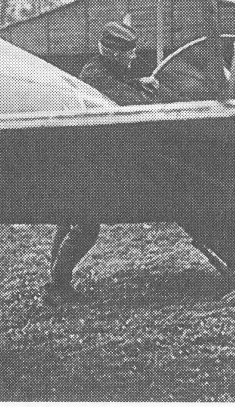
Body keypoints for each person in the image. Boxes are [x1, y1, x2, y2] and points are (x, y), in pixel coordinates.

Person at [43, 19, 158, 305]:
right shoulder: (96, 75)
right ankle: (56, 287)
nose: (134, 56)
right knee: (86, 227)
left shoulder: (99, 70)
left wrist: (136, 81)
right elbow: (129, 104)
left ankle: (56, 281)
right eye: (129, 52)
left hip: (76, 158)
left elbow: (115, 88)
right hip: (82, 163)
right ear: (115, 54)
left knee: (69, 221)